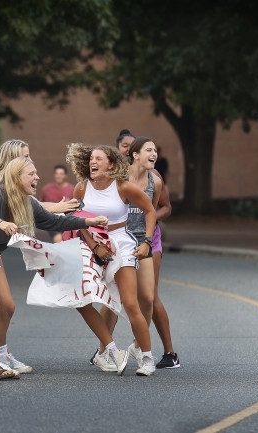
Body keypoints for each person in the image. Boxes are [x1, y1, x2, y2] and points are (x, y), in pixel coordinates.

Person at [0, 156, 108, 380]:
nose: (37, 177)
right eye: (31, 174)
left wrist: (88, 222)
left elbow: (54, 222)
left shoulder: (27, 201)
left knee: (7, 306)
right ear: (16, 176)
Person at [0, 139, 78, 373]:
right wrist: (56, 208)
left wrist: (58, 210)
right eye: (25, 157)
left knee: (1, 304)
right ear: (12, 160)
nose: (28, 161)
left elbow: (30, 204)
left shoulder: (4, 182)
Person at [66, 143, 158, 376]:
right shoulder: (81, 188)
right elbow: (77, 219)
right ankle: (106, 351)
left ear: (112, 164)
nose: (93, 163)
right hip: (91, 245)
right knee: (90, 300)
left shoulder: (123, 187)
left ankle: (146, 358)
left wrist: (147, 242)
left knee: (130, 303)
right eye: (90, 160)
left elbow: (150, 211)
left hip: (121, 243)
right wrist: (94, 245)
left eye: (98, 159)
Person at [114, 129, 179, 369]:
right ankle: (105, 350)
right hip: (122, 239)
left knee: (149, 297)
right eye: (149, 150)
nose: (154, 154)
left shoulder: (155, 179)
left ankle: (156, 349)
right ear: (132, 154)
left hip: (149, 239)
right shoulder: (117, 178)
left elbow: (158, 208)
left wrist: (149, 228)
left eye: (155, 150)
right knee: (117, 296)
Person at [41, 164, 75, 242]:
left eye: (61, 174)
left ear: (65, 176)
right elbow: (41, 205)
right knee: (59, 240)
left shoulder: (71, 189)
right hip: (51, 220)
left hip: (66, 221)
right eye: (56, 173)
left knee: (67, 242)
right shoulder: (46, 189)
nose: (58, 176)